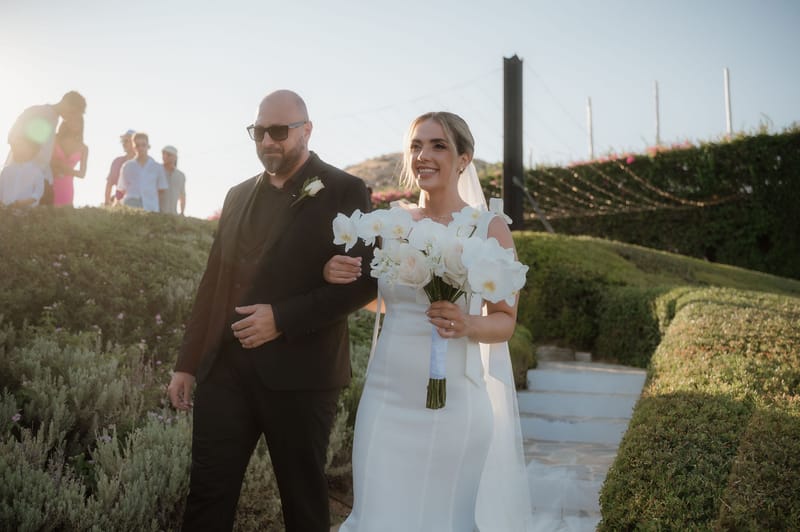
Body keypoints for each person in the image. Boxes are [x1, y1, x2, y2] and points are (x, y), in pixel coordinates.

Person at [167, 89, 376, 532]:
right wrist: (186, 364)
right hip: (225, 372)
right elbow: (213, 286)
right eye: (259, 131)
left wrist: (281, 318)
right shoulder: (237, 195)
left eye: (279, 132)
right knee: (207, 494)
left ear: (306, 130)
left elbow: (363, 283)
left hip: (302, 377)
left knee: (303, 503)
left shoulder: (344, 188)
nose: (267, 141)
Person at [324, 112, 533, 531]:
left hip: (455, 402)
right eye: (416, 146)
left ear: (463, 159)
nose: (424, 155)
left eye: (438, 145)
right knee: (377, 517)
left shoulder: (488, 228)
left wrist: (467, 324)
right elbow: (381, 301)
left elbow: (505, 321)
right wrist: (336, 276)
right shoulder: (390, 223)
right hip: (386, 399)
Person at [4, 91, 86, 206]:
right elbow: (13, 136)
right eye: (73, 113)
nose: (71, 118)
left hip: (40, 179)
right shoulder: (39, 112)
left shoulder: (54, 119)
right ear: (67, 103)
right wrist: (24, 170)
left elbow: (43, 153)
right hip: (20, 182)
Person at [117, 132, 167, 212]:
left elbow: (162, 189)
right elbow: (121, 189)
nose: (140, 148)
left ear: (148, 146)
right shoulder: (127, 166)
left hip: (151, 206)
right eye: (137, 145)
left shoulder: (157, 167)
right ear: (134, 147)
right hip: (130, 205)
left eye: (143, 145)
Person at [50, 116, 88, 207]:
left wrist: (62, 166)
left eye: (78, 121)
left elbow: (82, 174)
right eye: (72, 120)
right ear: (66, 121)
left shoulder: (83, 148)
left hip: (67, 187)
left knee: (64, 216)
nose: (75, 124)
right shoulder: (54, 139)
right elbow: (46, 161)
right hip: (50, 182)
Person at [104, 129, 136, 205]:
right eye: (123, 141)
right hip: (119, 203)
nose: (124, 143)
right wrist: (107, 203)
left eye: (127, 141)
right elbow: (109, 183)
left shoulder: (143, 164)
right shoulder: (117, 162)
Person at [160, 145, 186, 215]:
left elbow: (182, 195)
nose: (165, 157)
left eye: (168, 155)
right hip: (158, 213)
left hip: (173, 214)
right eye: (163, 154)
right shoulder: (157, 171)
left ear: (175, 157)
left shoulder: (180, 176)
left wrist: (182, 212)